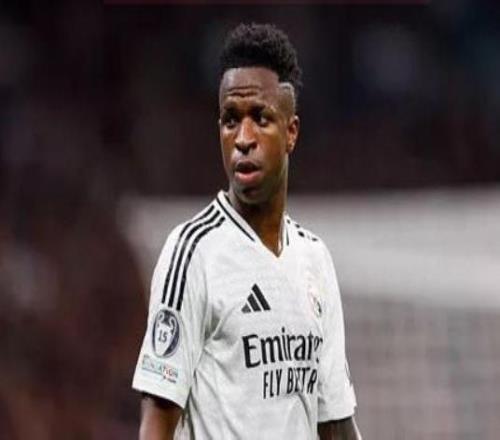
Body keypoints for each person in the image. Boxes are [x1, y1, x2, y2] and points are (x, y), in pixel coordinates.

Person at [132, 23, 362, 440]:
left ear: (291, 132)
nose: (243, 139)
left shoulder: (314, 259)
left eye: (260, 118)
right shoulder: (192, 252)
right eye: (230, 120)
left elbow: (335, 424)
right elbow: (157, 422)